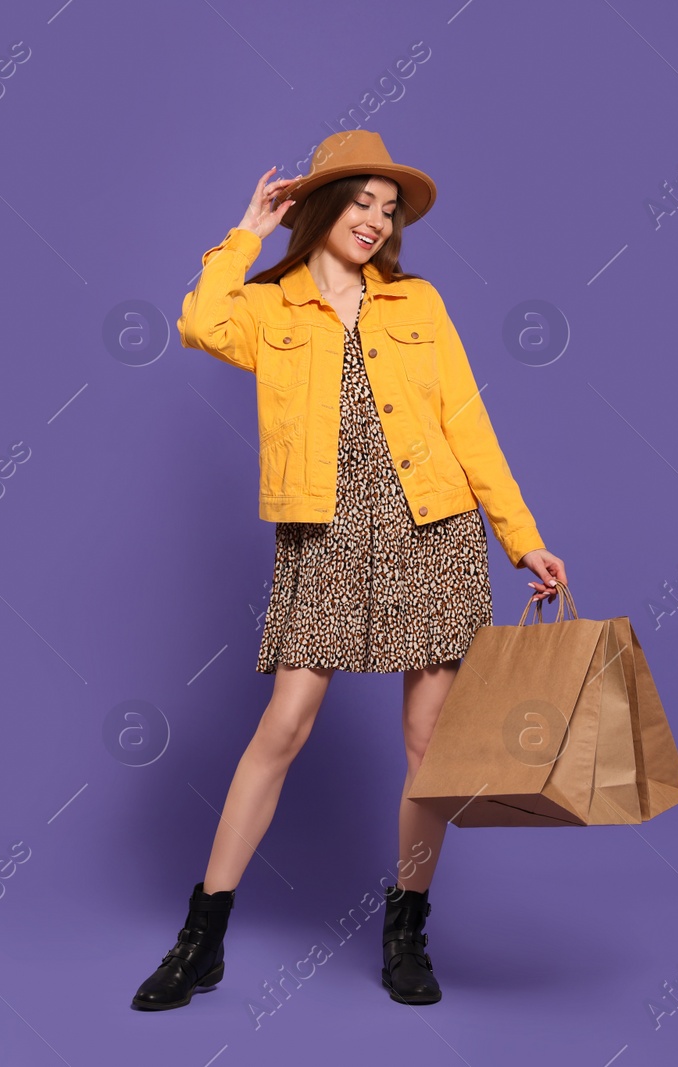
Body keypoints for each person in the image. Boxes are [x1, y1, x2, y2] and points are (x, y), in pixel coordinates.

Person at [132, 130, 566, 1011]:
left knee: (425, 744)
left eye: (388, 207)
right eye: (361, 201)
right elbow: (195, 321)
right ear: (322, 204)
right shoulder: (270, 305)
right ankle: (201, 938)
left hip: (430, 528)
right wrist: (246, 230)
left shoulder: (418, 303)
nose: (376, 219)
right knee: (285, 724)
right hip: (324, 536)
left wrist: (521, 536)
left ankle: (406, 930)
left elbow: (469, 425)